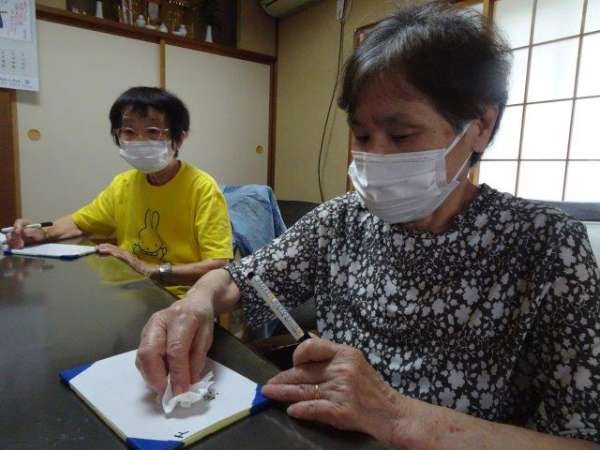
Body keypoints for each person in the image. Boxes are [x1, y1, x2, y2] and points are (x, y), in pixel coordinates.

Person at [135, 3, 600, 448]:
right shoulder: (342, 220)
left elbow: (582, 440)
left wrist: (395, 415)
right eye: (361, 135)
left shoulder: (547, 246)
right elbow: (240, 278)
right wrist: (195, 303)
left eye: (401, 135)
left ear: (480, 125)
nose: (374, 157)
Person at [8, 87, 233, 296]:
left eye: (153, 131)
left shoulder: (202, 188)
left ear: (179, 138)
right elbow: (80, 223)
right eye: (129, 131)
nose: (139, 140)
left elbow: (218, 265)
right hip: (130, 289)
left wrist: (150, 269)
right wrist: (42, 233)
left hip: (182, 298)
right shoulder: (123, 184)